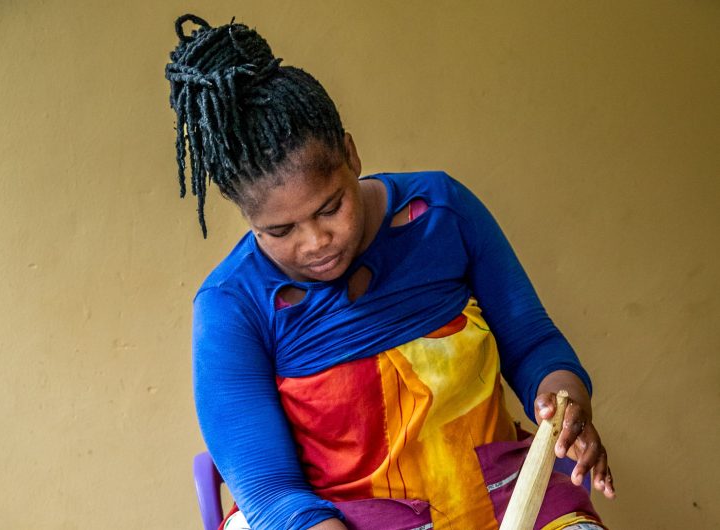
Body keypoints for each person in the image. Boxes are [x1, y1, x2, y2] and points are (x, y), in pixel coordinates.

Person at [165, 14, 615, 530]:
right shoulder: (232, 306)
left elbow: (534, 345)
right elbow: (271, 492)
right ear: (246, 216)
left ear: (351, 155)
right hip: (335, 518)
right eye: (280, 231)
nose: (316, 243)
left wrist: (567, 405)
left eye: (330, 207)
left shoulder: (442, 214)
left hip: (498, 496)